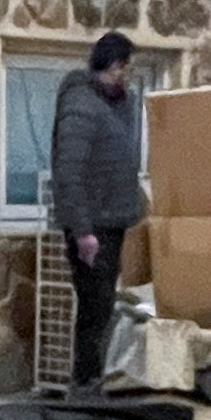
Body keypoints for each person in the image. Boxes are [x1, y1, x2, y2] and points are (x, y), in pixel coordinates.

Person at [49, 31, 148, 391]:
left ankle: (98, 379)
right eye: (121, 68)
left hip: (113, 220)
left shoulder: (120, 103)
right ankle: (86, 382)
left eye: (129, 69)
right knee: (95, 308)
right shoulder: (80, 105)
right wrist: (82, 231)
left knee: (104, 308)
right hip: (93, 227)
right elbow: (69, 172)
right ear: (106, 65)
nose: (126, 76)